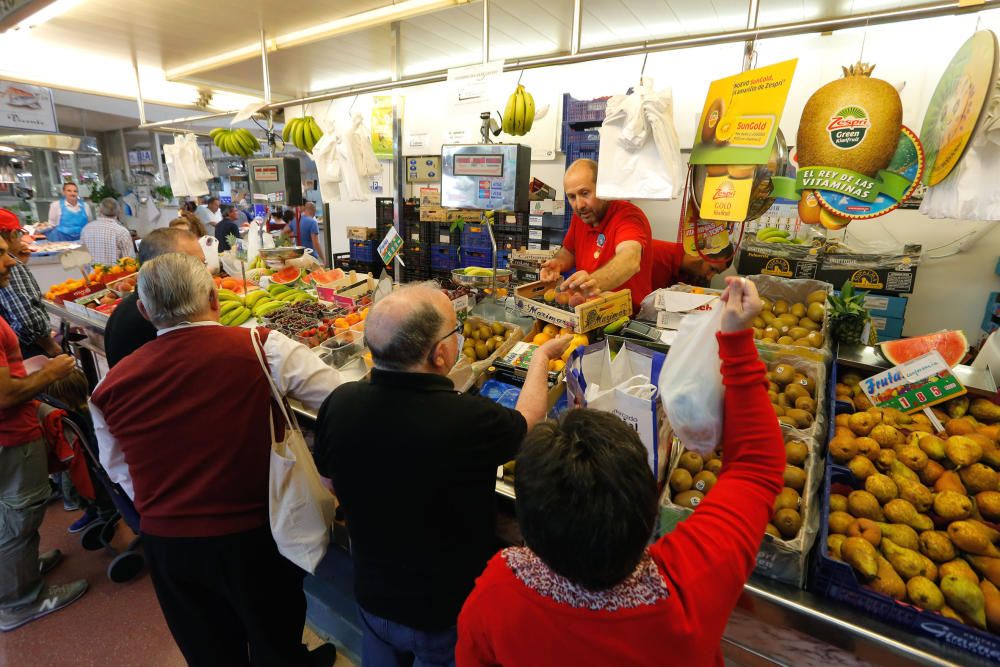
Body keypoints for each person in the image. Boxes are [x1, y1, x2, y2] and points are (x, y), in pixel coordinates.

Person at [456, 277, 784, 667]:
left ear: (525, 526)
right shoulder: (689, 585)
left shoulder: (497, 592)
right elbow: (756, 469)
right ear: (649, 514)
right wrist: (735, 339)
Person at [90, 252, 343, 666]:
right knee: (275, 640)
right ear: (213, 298)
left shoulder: (108, 387)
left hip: (169, 546)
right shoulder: (263, 347)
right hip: (255, 536)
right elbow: (340, 399)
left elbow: (119, 469)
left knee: (209, 653)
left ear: (144, 311)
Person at [314, 282, 571, 667]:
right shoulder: (468, 421)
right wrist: (539, 358)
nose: (461, 338)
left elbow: (330, 483)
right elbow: (529, 421)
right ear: (439, 354)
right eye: (456, 330)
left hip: (372, 597)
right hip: (442, 614)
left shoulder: (339, 403)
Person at [0, 233, 87, 633]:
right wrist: (51, 372)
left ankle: (21, 567)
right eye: (1, 256)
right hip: (8, 435)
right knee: (21, 513)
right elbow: (5, 394)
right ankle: (21, 601)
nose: (11, 263)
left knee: (12, 515)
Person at [539, 159, 653, 313]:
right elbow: (570, 251)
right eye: (572, 197)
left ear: (601, 188)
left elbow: (630, 259)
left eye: (585, 193)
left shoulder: (628, 216)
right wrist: (558, 263)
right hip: (590, 313)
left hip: (629, 317)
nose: (579, 205)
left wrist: (593, 283)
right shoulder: (581, 217)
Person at [104, 228, 204, 368]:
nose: (204, 274)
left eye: (202, 265)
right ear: (157, 268)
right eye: (193, 266)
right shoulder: (155, 318)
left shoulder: (164, 304)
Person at [0, 210, 61, 358]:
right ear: (12, 235)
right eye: (18, 234)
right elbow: (27, 319)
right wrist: (52, 347)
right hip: (30, 350)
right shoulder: (11, 266)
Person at [650, 239, 734, 289]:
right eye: (712, 269)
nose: (709, 277)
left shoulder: (692, 275)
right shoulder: (654, 254)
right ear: (700, 254)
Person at [80, 198, 136, 267]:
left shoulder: (86, 229)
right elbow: (129, 262)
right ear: (118, 212)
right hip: (114, 276)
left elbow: (82, 259)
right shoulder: (122, 232)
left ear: (100, 210)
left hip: (92, 276)